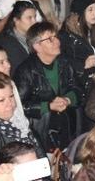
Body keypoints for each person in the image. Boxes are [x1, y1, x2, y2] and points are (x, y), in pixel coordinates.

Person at [13, 21, 81, 151]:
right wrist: (48, 106)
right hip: (40, 132)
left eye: (56, 37)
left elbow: (78, 89)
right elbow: (18, 105)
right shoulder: (25, 70)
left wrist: (68, 99)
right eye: (50, 39)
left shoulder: (65, 62)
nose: (57, 41)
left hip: (67, 127)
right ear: (37, 46)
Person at [60, 0, 95, 97]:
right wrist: (82, 65)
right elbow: (61, 60)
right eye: (90, 10)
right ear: (80, 12)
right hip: (79, 84)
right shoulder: (67, 34)